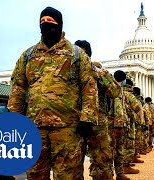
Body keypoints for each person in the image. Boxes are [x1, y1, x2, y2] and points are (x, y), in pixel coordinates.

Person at [7, 7, 98, 179]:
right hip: (34, 128)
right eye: (42, 22)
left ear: (60, 24)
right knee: (35, 175)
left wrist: (87, 119)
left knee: (68, 176)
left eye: (50, 22)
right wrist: (14, 120)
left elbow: (89, 88)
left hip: (67, 130)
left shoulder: (76, 55)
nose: (46, 26)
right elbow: (18, 88)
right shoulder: (28, 56)